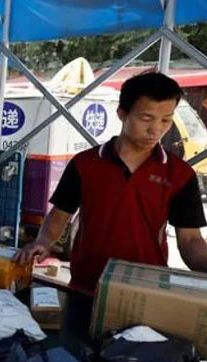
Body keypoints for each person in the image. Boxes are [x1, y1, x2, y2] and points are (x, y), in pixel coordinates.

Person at [14, 73, 207, 293]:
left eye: (166, 120)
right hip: (86, 286)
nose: (156, 130)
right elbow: (59, 215)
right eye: (146, 119)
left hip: (147, 290)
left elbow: (191, 240)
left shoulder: (180, 174)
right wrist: (43, 242)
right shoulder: (85, 164)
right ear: (122, 114)